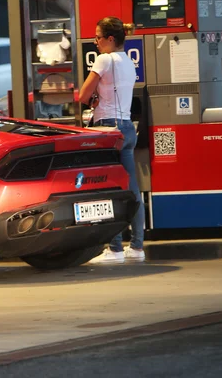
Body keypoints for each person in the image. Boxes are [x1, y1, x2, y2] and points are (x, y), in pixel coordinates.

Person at [79, 16, 145, 264]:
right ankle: (137, 247)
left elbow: (84, 94)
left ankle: (115, 249)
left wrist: (94, 101)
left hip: (108, 128)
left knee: (109, 188)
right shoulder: (128, 61)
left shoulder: (104, 59)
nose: (94, 41)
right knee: (131, 188)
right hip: (127, 128)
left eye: (97, 37)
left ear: (110, 39)